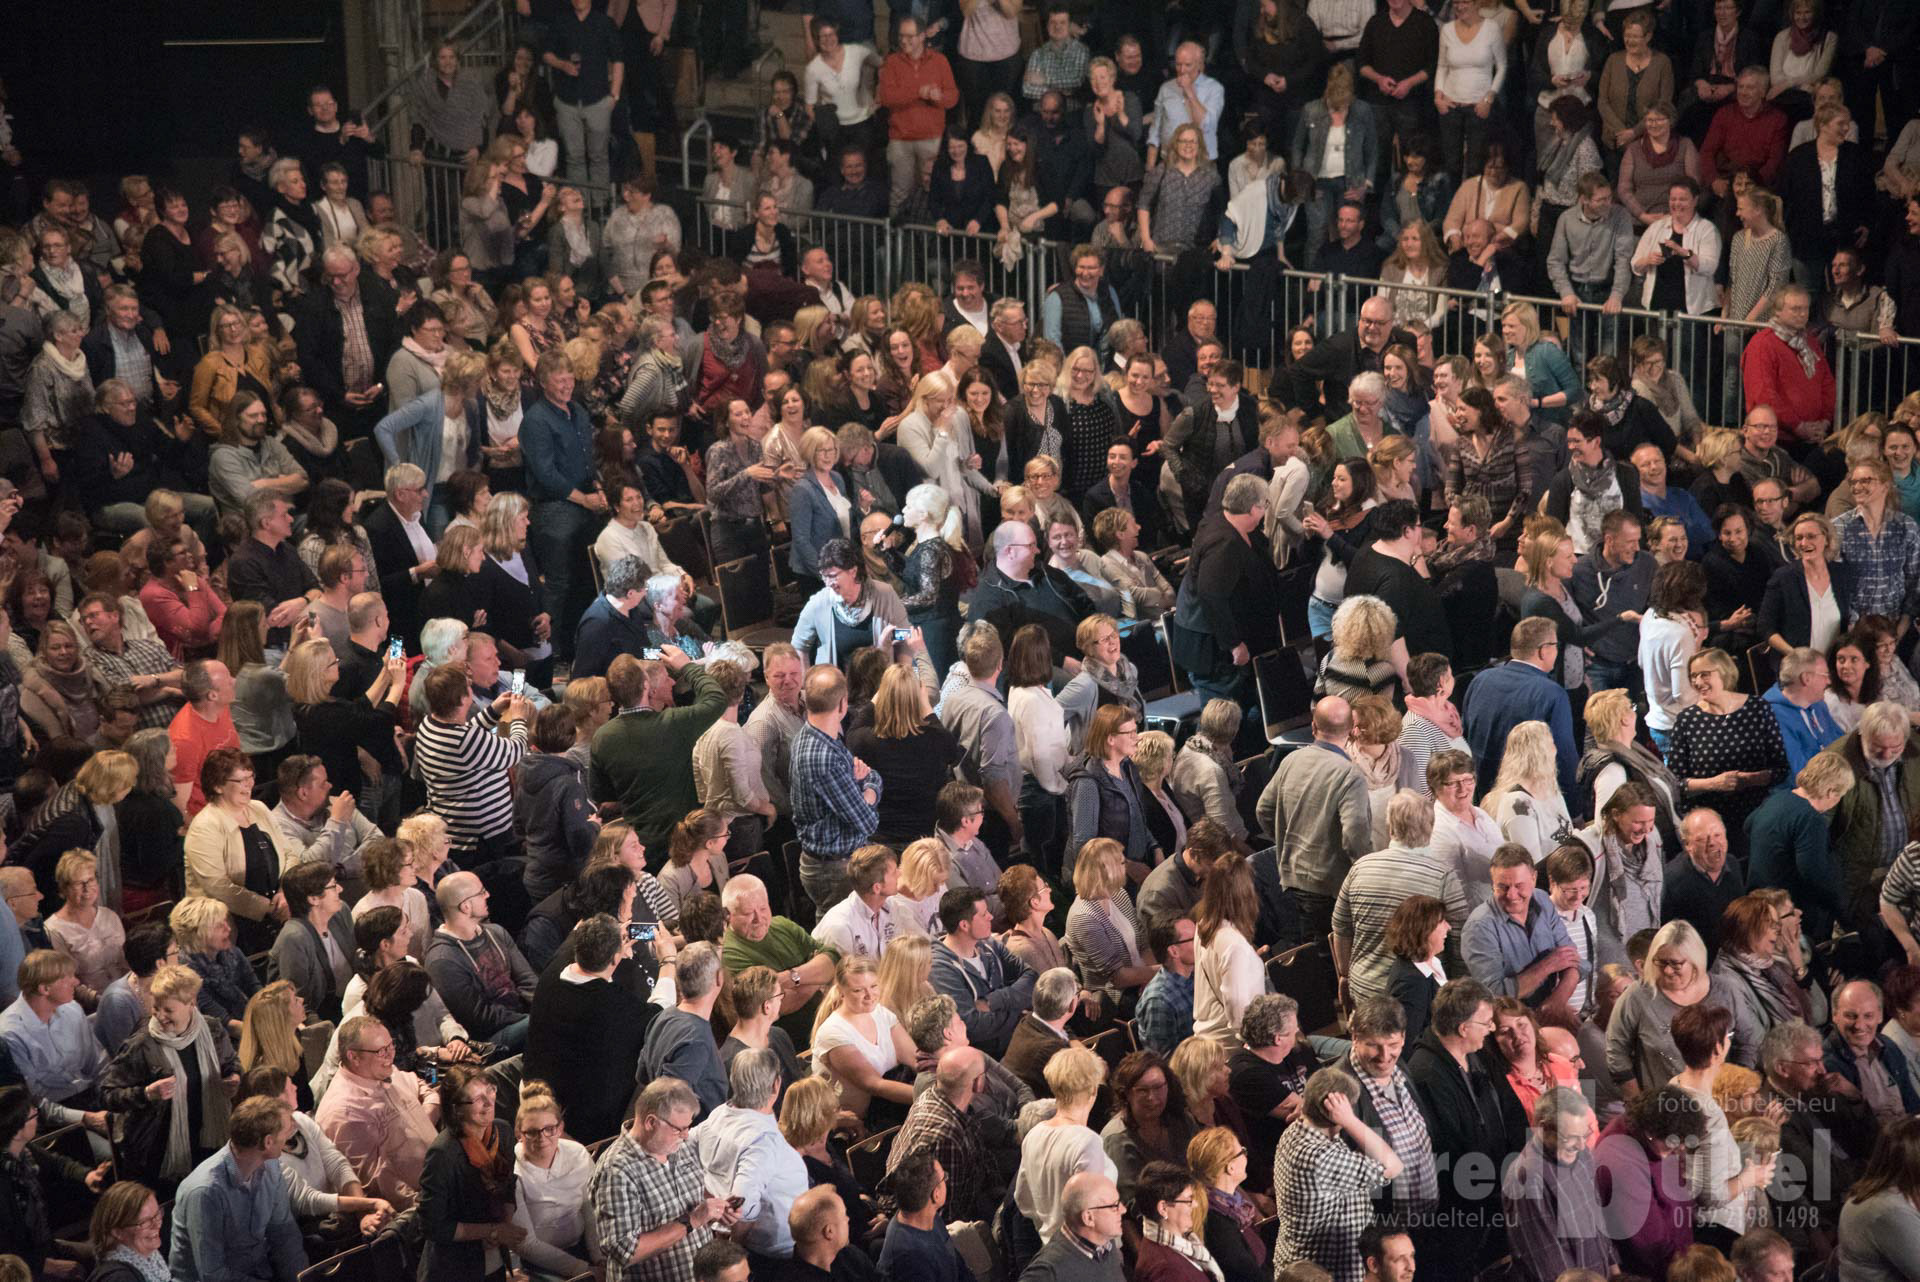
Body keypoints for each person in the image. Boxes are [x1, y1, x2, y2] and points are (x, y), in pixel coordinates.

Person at [1256, 697, 1372, 945]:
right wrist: (1370, 874)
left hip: (1291, 879)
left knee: (1313, 953)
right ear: (1352, 730)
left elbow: (1263, 810)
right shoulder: (1349, 774)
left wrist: (1286, 841)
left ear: (1313, 727)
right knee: (1336, 957)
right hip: (1331, 888)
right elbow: (1355, 836)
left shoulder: (1291, 760)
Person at [167, 1095, 306, 1282]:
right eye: (287, 1130)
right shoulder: (205, 1192)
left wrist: (301, 1278)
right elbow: (213, 1274)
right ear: (268, 1142)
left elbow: (284, 1235)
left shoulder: (271, 1167)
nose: (291, 1133)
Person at [1463, 846, 1584, 1007]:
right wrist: (1547, 966)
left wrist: (1555, 1004)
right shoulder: (1479, 928)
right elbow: (1493, 995)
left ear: (1534, 878)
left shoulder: (1542, 900)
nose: (1511, 895)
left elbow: (1573, 959)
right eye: (1502, 887)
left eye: (1519, 885)